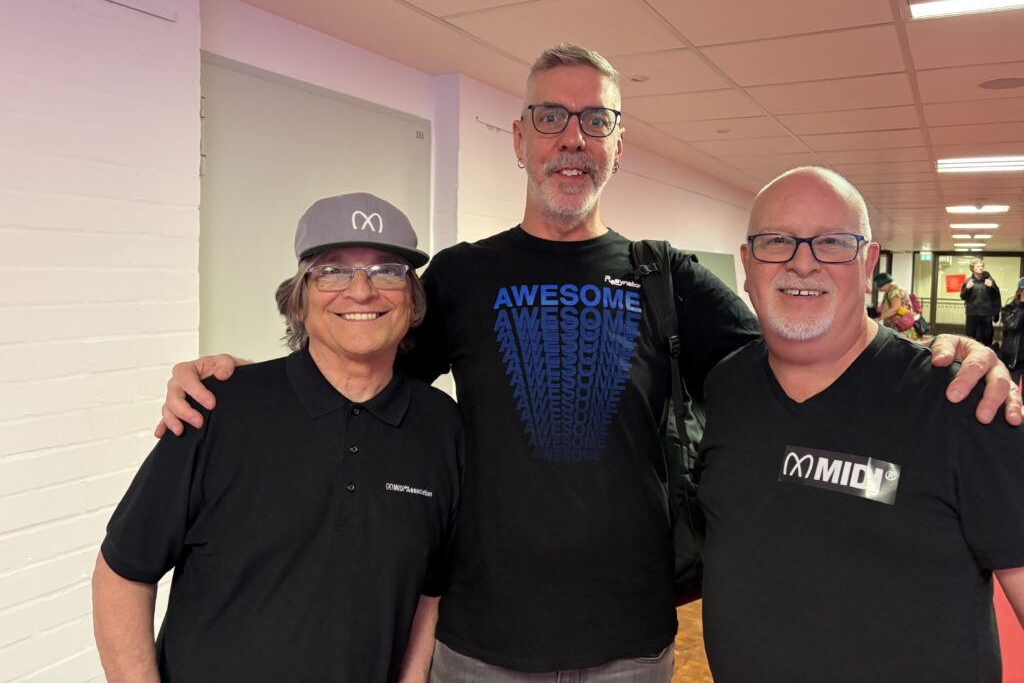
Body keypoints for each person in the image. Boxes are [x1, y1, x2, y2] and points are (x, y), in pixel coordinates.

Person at [155, 46, 1019, 680]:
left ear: (616, 142)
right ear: (521, 141)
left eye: (594, 120)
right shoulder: (459, 276)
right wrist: (244, 378)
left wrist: (939, 355)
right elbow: (358, 370)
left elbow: (807, 348)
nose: (572, 138)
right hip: (479, 639)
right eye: (551, 118)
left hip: (630, 641)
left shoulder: (663, 275)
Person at [92, 193, 463, 683]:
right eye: (331, 270)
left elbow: (428, 593)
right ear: (300, 298)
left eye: (387, 270)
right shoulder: (218, 409)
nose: (361, 291)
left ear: (411, 298)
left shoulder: (441, 427)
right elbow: (122, 572)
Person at [697, 167, 1024, 682]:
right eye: (777, 241)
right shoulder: (725, 389)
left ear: (868, 263)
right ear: (746, 264)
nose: (802, 262)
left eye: (831, 242)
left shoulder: (963, 405)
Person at [961, 256, 1001, 346]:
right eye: (978, 266)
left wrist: (991, 287)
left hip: (986, 313)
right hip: (972, 313)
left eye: (981, 266)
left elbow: (996, 295)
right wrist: (967, 288)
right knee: (970, 337)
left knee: (987, 337)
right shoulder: (968, 281)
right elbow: (963, 296)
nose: (981, 268)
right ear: (972, 268)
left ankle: (986, 356)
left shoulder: (989, 280)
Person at [873, 271, 918, 340]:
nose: (879, 289)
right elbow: (884, 307)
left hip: (903, 324)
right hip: (900, 323)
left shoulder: (895, 291)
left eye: (880, 287)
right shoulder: (890, 291)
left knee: (903, 345)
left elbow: (895, 309)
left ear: (886, 284)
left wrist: (879, 318)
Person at [999, 278, 1024, 388]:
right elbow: (1014, 325)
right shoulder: (1009, 309)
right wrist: (1021, 306)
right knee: (1011, 390)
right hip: (1014, 357)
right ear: (1020, 292)